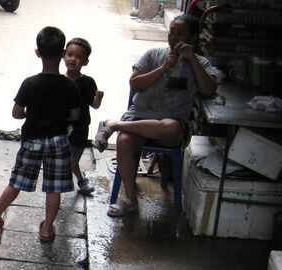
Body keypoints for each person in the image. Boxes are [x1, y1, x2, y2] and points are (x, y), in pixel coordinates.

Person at [93, 13, 217, 217]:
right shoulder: (153, 55)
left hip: (170, 125)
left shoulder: (200, 63)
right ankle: (130, 199)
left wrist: (192, 59)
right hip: (139, 116)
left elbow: (209, 89)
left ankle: (113, 125)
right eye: (171, 33)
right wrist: (163, 68)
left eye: (180, 34)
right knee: (125, 140)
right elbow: (135, 84)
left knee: (170, 127)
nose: (174, 38)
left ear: (193, 38)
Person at [0, 26, 80, 243]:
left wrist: (33, 112)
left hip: (32, 142)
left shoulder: (30, 83)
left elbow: (17, 113)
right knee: (53, 189)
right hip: (58, 142)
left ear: (37, 52)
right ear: (63, 53)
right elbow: (74, 116)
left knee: (17, 181)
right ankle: (47, 229)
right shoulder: (70, 85)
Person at [64, 37, 104, 196]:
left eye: (79, 57)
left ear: (86, 62)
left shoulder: (88, 82)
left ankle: (78, 181)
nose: (73, 59)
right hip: (60, 127)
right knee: (66, 158)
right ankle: (81, 181)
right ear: (63, 56)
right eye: (70, 54)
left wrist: (98, 99)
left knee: (72, 158)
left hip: (80, 128)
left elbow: (93, 105)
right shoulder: (59, 80)